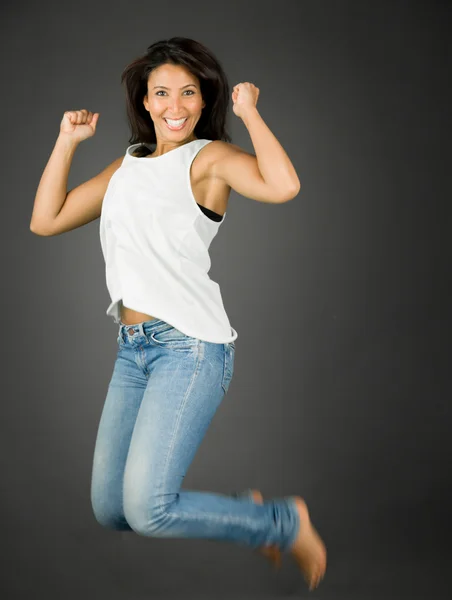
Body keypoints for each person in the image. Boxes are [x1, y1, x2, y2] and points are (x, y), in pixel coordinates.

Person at [29, 37, 326, 591]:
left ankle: (281, 522)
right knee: (111, 510)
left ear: (203, 99)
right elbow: (46, 220)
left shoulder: (208, 159)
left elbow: (284, 185)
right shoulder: (127, 166)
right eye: (161, 92)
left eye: (188, 93)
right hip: (133, 350)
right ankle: (245, 515)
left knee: (149, 510)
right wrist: (66, 141)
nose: (175, 105)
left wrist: (250, 113)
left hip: (188, 349)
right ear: (144, 101)